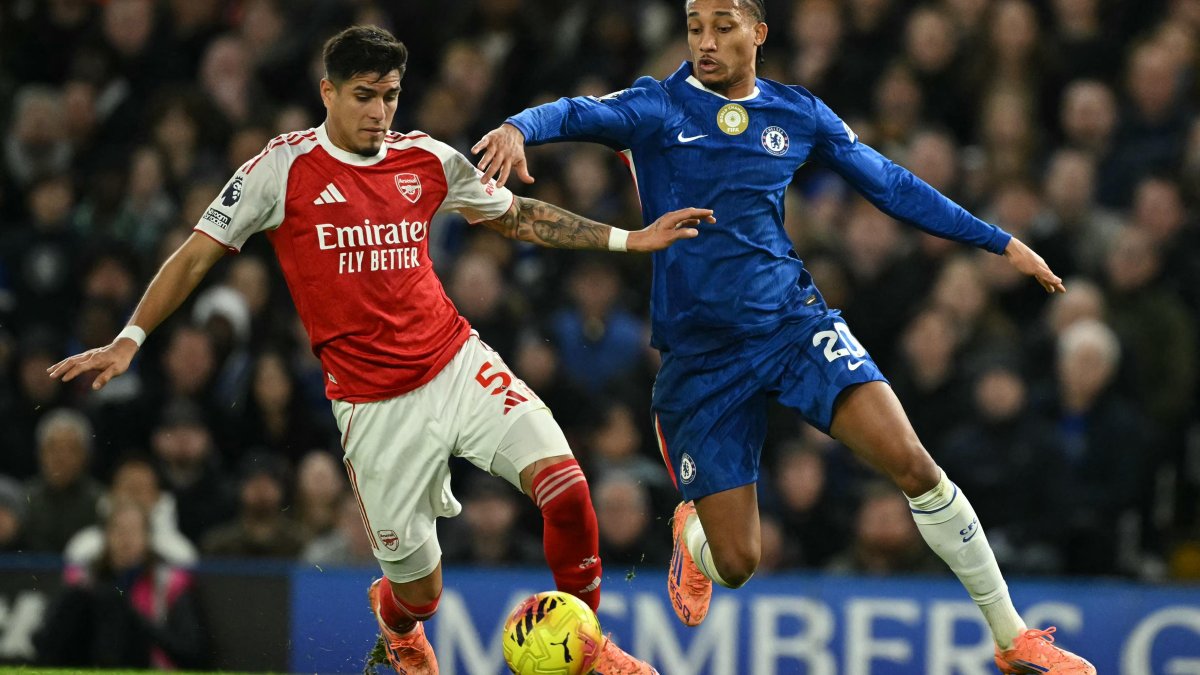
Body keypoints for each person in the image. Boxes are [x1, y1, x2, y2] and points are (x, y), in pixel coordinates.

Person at [49, 25, 711, 675]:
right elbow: (197, 254)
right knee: (422, 591)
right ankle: (395, 625)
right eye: (365, 95)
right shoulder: (281, 169)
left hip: (457, 363)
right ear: (327, 92)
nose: (380, 110)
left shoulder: (424, 157)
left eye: (391, 95)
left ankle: (587, 652)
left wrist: (629, 239)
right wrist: (130, 337)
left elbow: (513, 214)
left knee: (566, 488)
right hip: (374, 407)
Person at [473, 1, 1093, 672]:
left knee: (914, 463)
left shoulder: (798, 113)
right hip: (703, 358)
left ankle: (1012, 635)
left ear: (758, 33)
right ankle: (694, 534)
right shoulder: (656, 107)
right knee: (737, 563)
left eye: (723, 25)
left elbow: (891, 184)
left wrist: (999, 242)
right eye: (693, 26)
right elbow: (573, 110)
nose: (705, 42)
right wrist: (516, 126)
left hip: (793, 324)